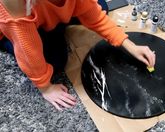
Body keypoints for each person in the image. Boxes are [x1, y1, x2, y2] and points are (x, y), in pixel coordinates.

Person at [0, 0, 156, 110]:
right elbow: (28, 52)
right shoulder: (17, 8)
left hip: (45, 13)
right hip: (19, 26)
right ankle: (8, 40)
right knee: (56, 62)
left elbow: (95, 16)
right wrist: (45, 88)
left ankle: (56, 20)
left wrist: (129, 45)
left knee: (99, 6)